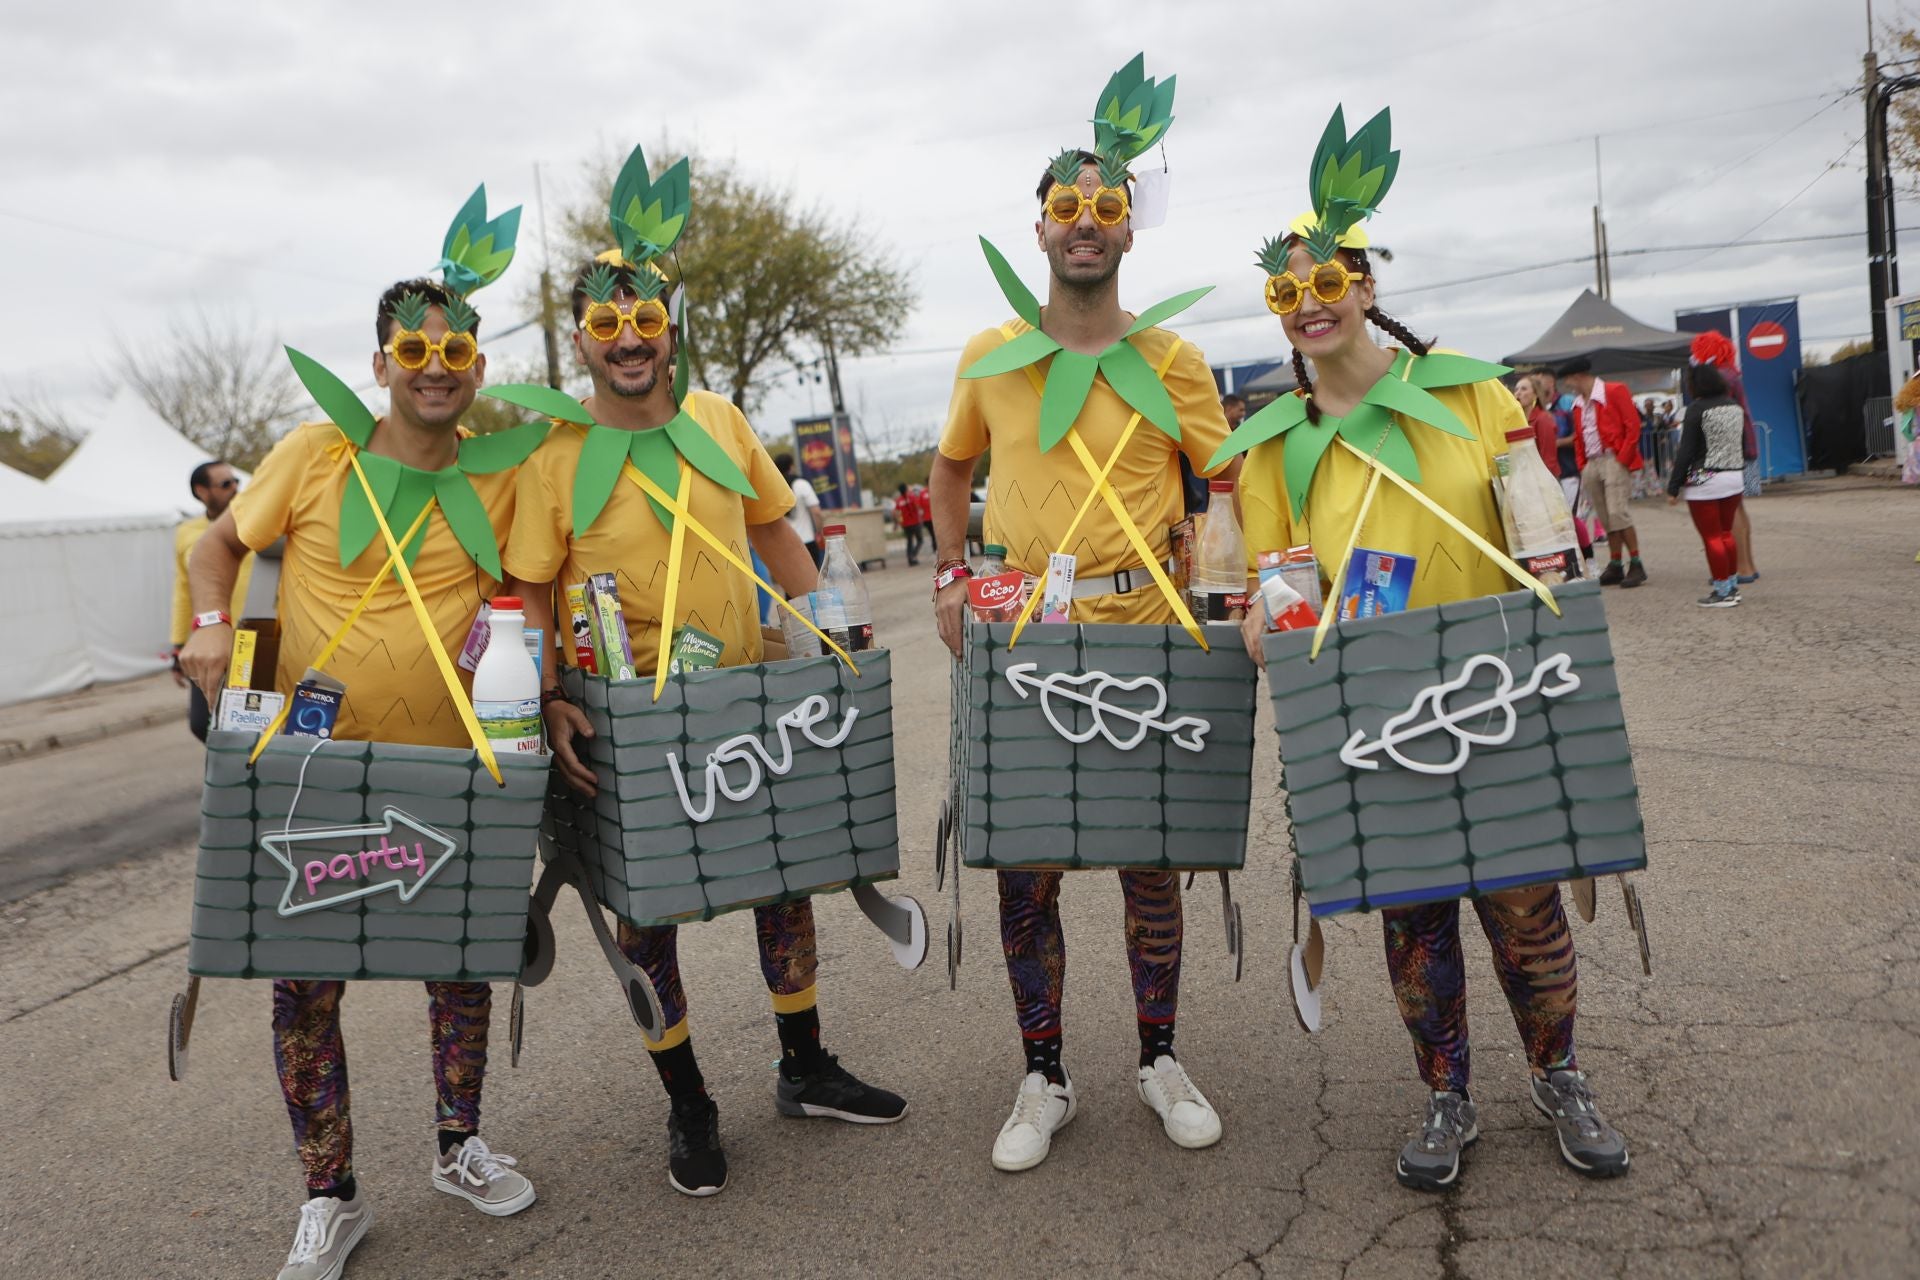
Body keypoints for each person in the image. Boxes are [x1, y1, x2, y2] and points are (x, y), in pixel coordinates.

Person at [1221, 104, 1629, 1192]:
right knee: (1414, 914)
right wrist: (1268, 626)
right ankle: (1445, 1091)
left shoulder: (1468, 392)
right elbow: (1272, 588)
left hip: (1495, 686)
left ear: (1365, 286)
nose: (1308, 306)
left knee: (1525, 901)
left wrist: (1562, 623)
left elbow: (1544, 545)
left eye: (1326, 283)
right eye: (1285, 292)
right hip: (1373, 710)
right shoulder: (1269, 445)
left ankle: (1560, 1072)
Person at [501, 145, 904, 1202]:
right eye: (607, 326)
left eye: (645, 322)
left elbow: (779, 538)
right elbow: (534, 597)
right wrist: (547, 699)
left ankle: (804, 1064)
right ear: (583, 338)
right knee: (647, 917)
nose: (629, 342)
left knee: (784, 878)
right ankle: (687, 1099)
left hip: (750, 702)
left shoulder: (719, 420)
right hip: (630, 722)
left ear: (669, 325)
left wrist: (829, 643)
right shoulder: (552, 454)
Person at [179, 189, 539, 1280]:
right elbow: (216, 549)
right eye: (414, 347)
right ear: (380, 363)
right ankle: (329, 1195)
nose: (437, 363)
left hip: (450, 764)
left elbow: (521, 599)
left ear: (478, 362)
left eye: (456, 346)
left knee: (463, 964)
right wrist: (206, 629)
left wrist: (539, 700)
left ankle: (459, 1144)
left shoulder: (499, 469)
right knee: (305, 983)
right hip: (315, 770)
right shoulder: (314, 454)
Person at [930, 55, 1234, 1174]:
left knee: (1151, 859)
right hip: (1023, 643)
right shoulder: (990, 357)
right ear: (1041, 227)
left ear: (1129, 229)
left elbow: (1235, 474)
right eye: (1066, 208)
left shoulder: (1176, 358)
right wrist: (950, 570)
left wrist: (1247, 584)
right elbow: (951, 465)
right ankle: (1045, 1073)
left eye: (1106, 206)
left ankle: (1159, 1056)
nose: (1086, 224)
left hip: (1145, 630)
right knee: (1028, 865)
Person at [170, 459, 251, 741]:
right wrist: (179, 645)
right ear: (202, 491)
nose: (235, 488)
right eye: (225, 484)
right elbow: (183, 590)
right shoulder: (187, 533)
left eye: (236, 481)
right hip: (209, 639)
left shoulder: (257, 522)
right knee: (203, 722)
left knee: (251, 719)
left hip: (253, 640)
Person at [1556, 356, 1647, 587]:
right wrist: (1583, 464)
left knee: (1617, 512)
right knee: (1605, 516)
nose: (1568, 385)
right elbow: (1580, 436)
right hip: (1592, 463)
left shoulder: (1614, 390)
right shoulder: (1578, 404)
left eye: (1568, 380)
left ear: (1578, 376)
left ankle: (1636, 563)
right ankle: (1616, 563)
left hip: (1612, 458)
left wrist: (1622, 459)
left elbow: (1633, 426)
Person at [1666, 361, 1747, 607]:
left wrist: (1674, 486)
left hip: (1706, 477)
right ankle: (1732, 586)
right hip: (1734, 475)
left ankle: (1721, 592)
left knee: (1711, 537)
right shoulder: (1734, 406)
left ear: (1695, 384)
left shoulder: (1697, 409)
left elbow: (1686, 451)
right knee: (1726, 533)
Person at [1687, 331, 1760, 585]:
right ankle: (1747, 564)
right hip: (1743, 448)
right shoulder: (1731, 374)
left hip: (1728, 453)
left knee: (1731, 512)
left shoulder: (1721, 378)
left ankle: (1739, 568)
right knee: (1739, 507)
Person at [775, 450, 824, 566]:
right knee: (814, 580)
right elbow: (816, 512)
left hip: (786, 543)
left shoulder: (775, 487)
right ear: (791, 466)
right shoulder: (801, 484)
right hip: (807, 541)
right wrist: (819, 531)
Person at [1513, 376, 1558, 476]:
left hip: (1544, 479)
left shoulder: (1542, 419)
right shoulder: (1516, 421)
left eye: (1524, 389)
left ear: (1535, 395)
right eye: (1516, 389)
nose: (1518, 393)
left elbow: (1549, 458)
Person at [894, 480, 926, 565]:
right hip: (915, 522)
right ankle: (913, 555)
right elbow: (918, 507)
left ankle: (910, 558)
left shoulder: (899, 500)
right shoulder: (912, 497)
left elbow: (897, 513)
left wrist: (897, 524)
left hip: (906, 524)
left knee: (909, 541)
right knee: (920, 540)